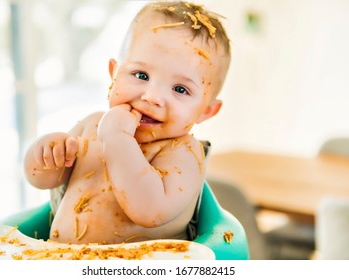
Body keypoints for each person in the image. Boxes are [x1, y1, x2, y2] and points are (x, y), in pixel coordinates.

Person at [24, 1, 231, 245]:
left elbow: (149, 210)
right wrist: (47, 154)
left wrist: (117, 138)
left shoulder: (184, 153)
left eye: (180, 89)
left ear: (206, 110)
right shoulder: (92, 125)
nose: (152, 97)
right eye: (141, 75)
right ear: (114, 73)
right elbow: (42, 178)